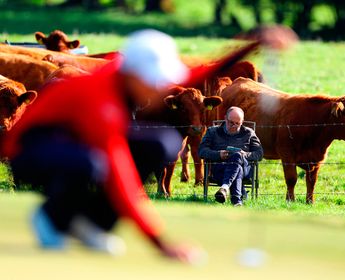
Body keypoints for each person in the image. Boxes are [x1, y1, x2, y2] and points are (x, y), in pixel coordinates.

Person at [1, 29, 198, 260]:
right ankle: (52, 217)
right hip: (27, 153)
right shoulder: (102, 99)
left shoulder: (124, 82)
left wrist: (244, 48)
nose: (157, 86)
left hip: (70, 146)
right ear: (133, 74)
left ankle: (93, 223)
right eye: (151, 79)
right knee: (90, 163)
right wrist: (160, 243)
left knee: (161, 144)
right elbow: (118, 174)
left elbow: (196, 76)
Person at [198, 106, 263, 206]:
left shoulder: (248, 133)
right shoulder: (213, 131)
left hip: (244, 168)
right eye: (231, 122)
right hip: (219, 170)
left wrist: (244, 155)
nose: (234, 126)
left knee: (237, 156)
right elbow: (201, 151)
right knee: (238, 170)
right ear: (225, 118)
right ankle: (237, 201)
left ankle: (224, 188)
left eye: (238, 123)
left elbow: (259, 153)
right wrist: (218, 154)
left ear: (242, 122)